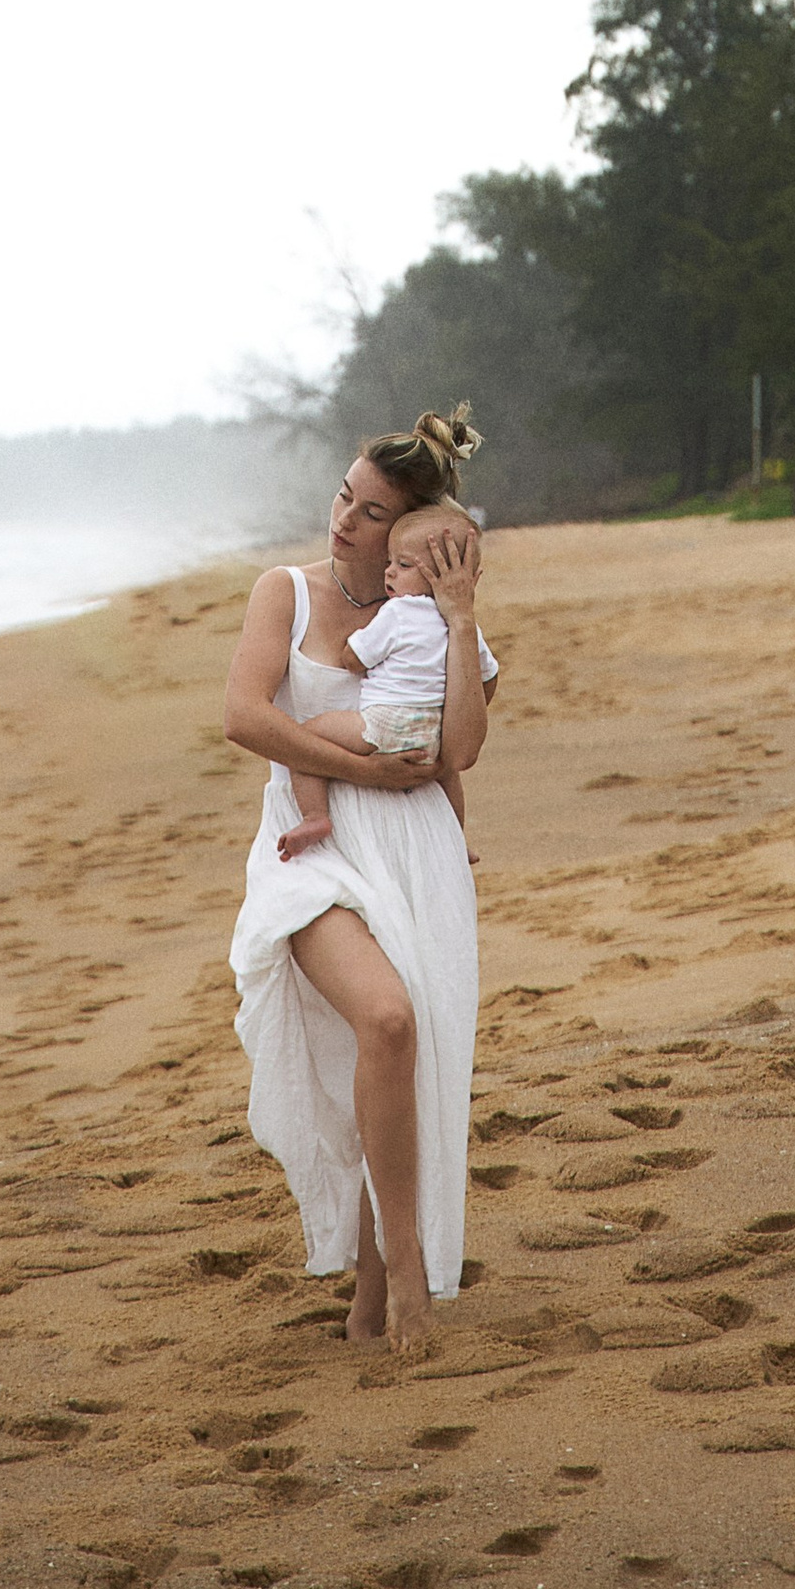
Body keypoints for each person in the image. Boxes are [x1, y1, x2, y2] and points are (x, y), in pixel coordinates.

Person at [224, 408, 496, 1356]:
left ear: (414, 532)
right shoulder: (285, 593)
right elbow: (244, 718)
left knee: (404, 1051)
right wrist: (356, 771)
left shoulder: (429, 621)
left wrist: (460, 621)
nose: (343, 520)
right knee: (384, 1019)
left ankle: (379, 1281)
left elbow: (459, 748)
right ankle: (407, 1262)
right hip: (310, 844)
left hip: (413, 850)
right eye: (345, 495)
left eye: (372, 511)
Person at [273, 497, 490, 864]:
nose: (389, 572)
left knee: (306, 737)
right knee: (449, 777)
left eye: (403, 565)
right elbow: (484, 674)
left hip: (384, 723)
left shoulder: (399, 612)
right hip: (433, 733)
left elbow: (355, 659)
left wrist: (351, 651)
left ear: (438, 573)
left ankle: (315, 816)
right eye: (390, 562)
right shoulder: (459, 625)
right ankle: (457, 836)